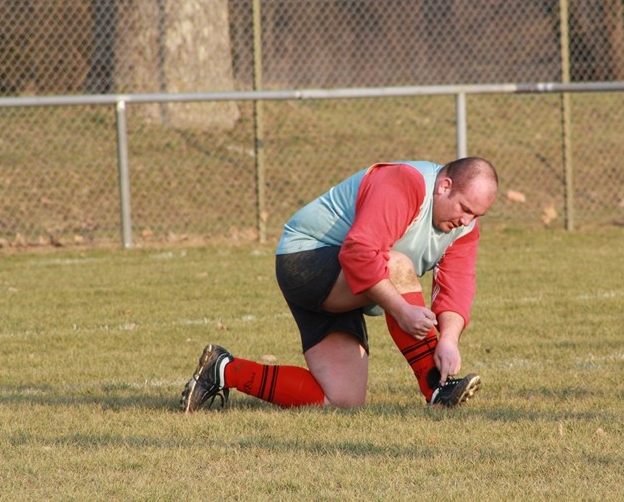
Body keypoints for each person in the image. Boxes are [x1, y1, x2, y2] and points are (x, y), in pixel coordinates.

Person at [180, 157, 499, 411]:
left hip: (348, 284)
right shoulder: (405, 182)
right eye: (464, 209)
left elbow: (457, 284)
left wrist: (449, 340)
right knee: (396, 264)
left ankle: (223, 369)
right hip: (305, 261)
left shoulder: (464, 228)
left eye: (476, 215)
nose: (466, 221)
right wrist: (402, 310)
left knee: (343, 399)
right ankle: (437, 387)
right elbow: (359, 253)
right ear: (444, 186)